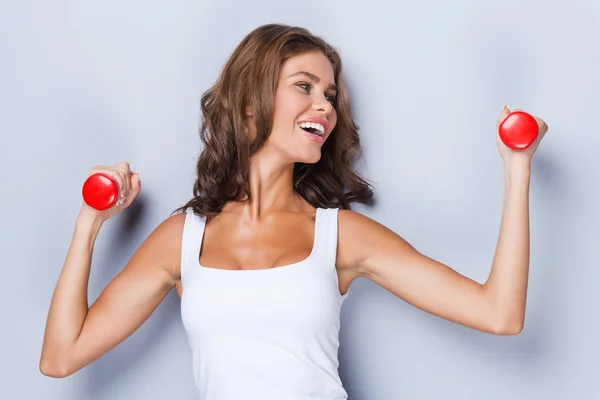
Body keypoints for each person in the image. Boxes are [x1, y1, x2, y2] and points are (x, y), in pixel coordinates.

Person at [39, 23, 548, 399]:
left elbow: (499, 314)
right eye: (304, 87)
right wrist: (90, 223)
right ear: (250, 103)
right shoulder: (181, 240)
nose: (325, 107)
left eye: (330, 95)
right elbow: (61, 357)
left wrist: (517, 169)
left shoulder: (341, 235)